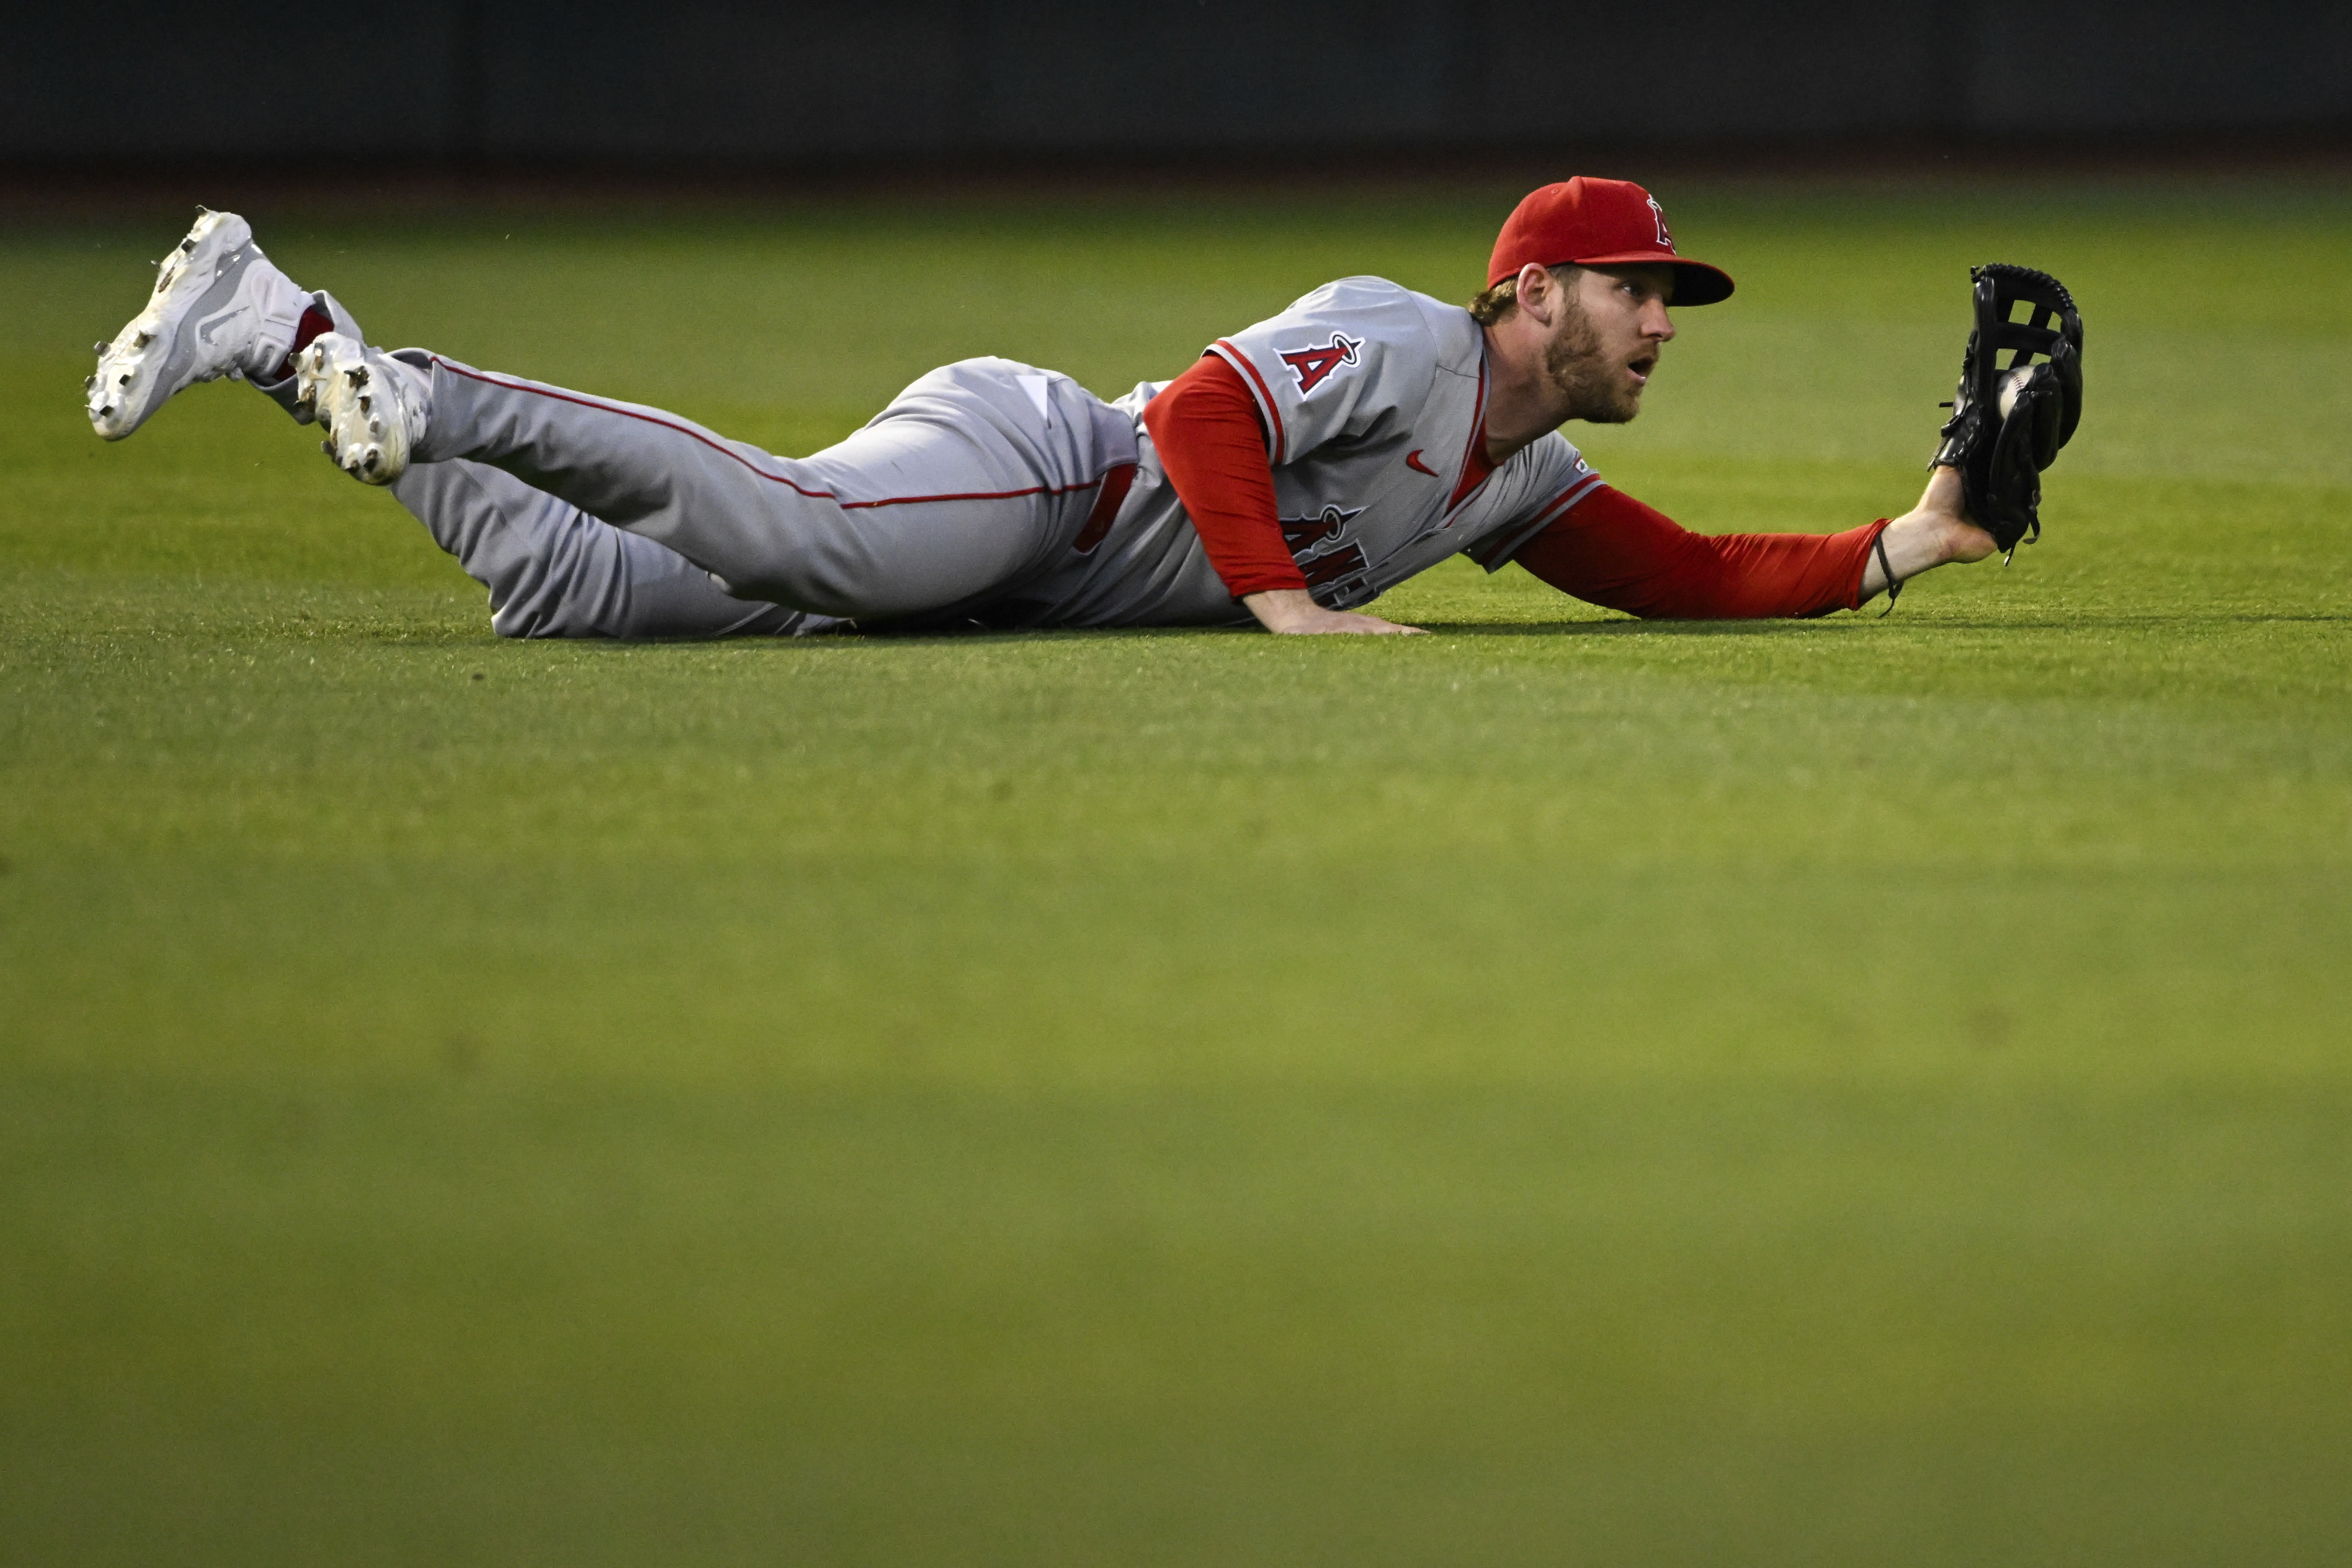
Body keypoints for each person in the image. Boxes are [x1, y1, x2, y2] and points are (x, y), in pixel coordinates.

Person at [85, 179, 1995, 639]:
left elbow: (1689, 577)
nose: (1663, 320)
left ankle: (279, 325)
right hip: (1045, 469)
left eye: (1672, 300)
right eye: (1639, 289)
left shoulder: (1518, 470)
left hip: (1024, 563)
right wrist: (1289, 606)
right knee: (803, 522)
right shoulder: (1410, 340)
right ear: (1535, 293)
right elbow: (1203, 425)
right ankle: (416, 387)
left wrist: (1919, 532)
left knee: (580, 595)